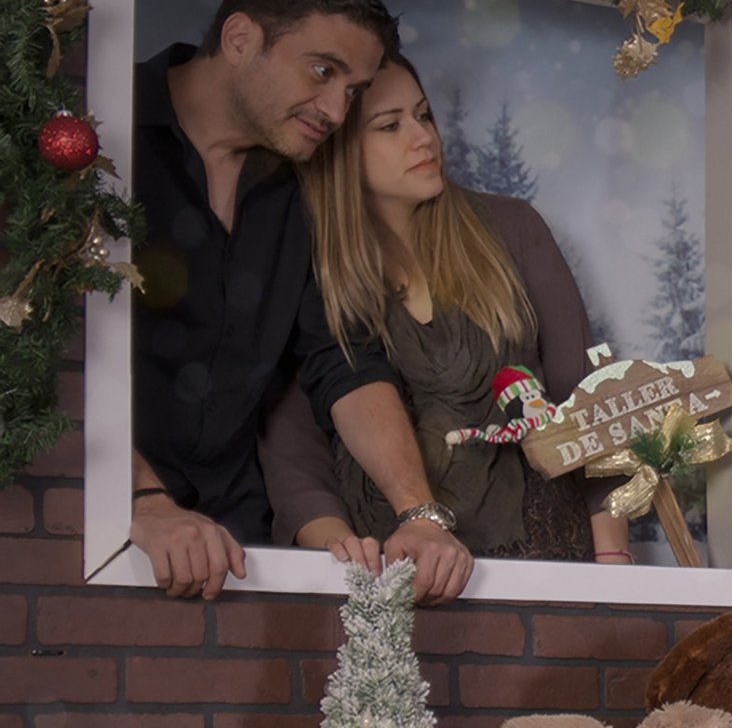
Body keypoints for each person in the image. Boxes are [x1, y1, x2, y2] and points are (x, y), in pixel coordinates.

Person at [128, 0, 471, 601]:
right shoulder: (100, 137)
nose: (337, 111)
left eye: (352, 90)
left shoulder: (301, 189)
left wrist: (419, 514)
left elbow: (343, 361)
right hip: (101, 539)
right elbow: (53, 357)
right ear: (239, 38)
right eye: (322, 70)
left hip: (243, 551)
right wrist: (144, 502)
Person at [259, 55, 627, 564]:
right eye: (391, 126)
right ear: (339, 150)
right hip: (394, 563)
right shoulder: (312, 268)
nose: (423, 138)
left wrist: (612, 562)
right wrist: (339, 557)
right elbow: (292, 443)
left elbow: (587, 399)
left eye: (424, 115)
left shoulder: (513, 228)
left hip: (540, 552)